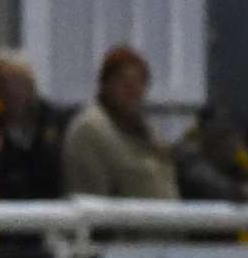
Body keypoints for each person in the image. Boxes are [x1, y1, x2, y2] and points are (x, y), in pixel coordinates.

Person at [60, 45, 178, 199]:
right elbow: (91, 196)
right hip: (120, 221)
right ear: (106, 85)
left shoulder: (149, 134)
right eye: (124, 83)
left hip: (166, 220)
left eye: (139, 83)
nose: (133, 91)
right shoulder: (90, 130)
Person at [174, 105, 248, 203]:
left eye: (226, 135)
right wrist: (239, 192)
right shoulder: (191, 163)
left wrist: (243, 157)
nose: (222, 144)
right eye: (214, 137)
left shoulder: (240, 162)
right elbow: (204, 181)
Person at [0, 51, 69, 200]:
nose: (10, 91)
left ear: (30, 86)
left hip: (53, 209)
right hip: (8, 211)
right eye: (2, 84)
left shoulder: (54, 120)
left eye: (17, 82)